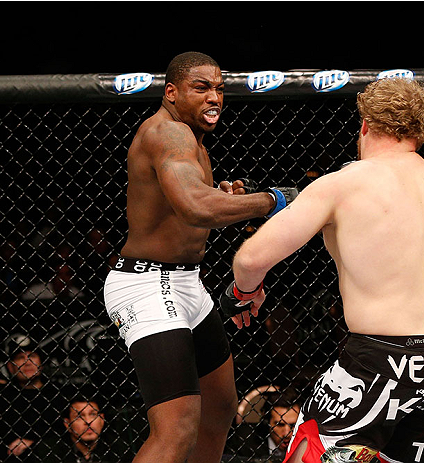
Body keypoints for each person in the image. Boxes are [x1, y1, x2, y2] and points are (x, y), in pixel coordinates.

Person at [220, 77, 424, 463]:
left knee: (307, 453)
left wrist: (243, 292)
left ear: (365, 124)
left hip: (378, 358)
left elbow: (250, 259)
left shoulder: (344, 184)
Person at [103, 51, 297, 463]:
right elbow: (196, 207)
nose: (215, 97)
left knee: (221, 405)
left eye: (220, 88)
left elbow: (193, 205)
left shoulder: (189, 138)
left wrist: (226, 198)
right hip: (148, 285)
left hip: (186, 283)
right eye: (202, 87)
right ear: (171, 92)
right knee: (176, 431)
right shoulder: (169, 134)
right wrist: (275, 199)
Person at [32, 394, 134, 462]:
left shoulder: (120, 449)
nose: (88, 422)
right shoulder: (49, 452)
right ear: (68, 424)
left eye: (93, 414)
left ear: (102, 419)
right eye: (79, 416)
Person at [229, 389, 301, 462]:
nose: (287, 433)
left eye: (293, 425)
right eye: (280, 425)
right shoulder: (244, 440)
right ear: (267, 422)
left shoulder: (307, 442)